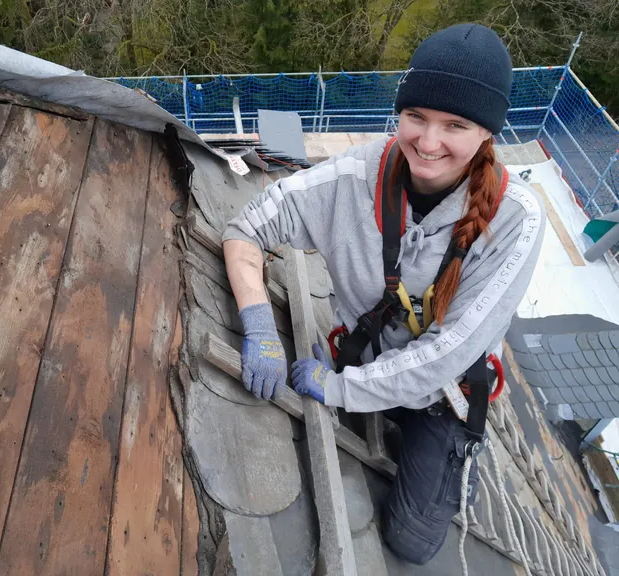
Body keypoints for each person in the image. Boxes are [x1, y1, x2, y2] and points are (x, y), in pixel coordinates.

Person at [222, 23, 545, 565]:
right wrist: (257, 322)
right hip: (360, 352)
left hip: (437, 396)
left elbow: (448, 353)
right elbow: (246, 228)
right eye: (416, 116)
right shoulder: (354, 176)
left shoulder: (516, 221)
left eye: (455, 125)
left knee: (413, 544)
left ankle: (455, 463)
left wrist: (344, 390)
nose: (428, 140)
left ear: (486, 134)